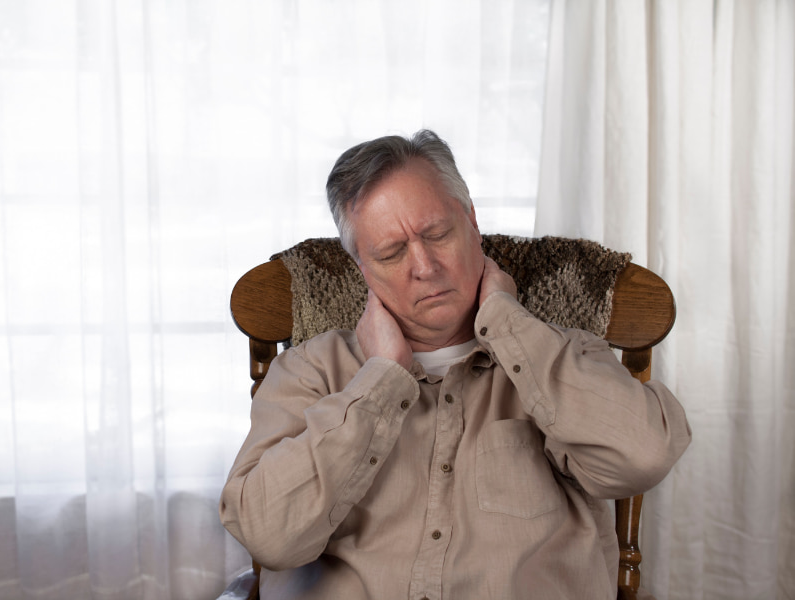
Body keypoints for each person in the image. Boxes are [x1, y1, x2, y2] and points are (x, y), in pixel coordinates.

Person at [219, 129, 691, 599]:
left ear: (471, 221)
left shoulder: (566, 355)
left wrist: (508, 322)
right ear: (361, 266)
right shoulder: (309, 372)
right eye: (391, 252)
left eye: (438, 234)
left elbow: (643, 456)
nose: (424, 266)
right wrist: (380, 383)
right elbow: (267, 535)